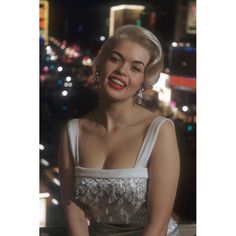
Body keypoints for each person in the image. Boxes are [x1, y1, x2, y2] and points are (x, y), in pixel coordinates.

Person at [58, 25, 180, 236]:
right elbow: (75, 215)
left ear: (144, 80)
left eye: (136, 68)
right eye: (115, 59)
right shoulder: (72, 132)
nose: (122, 71)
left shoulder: (160, 131)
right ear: (100, 65)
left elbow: (157, 227)